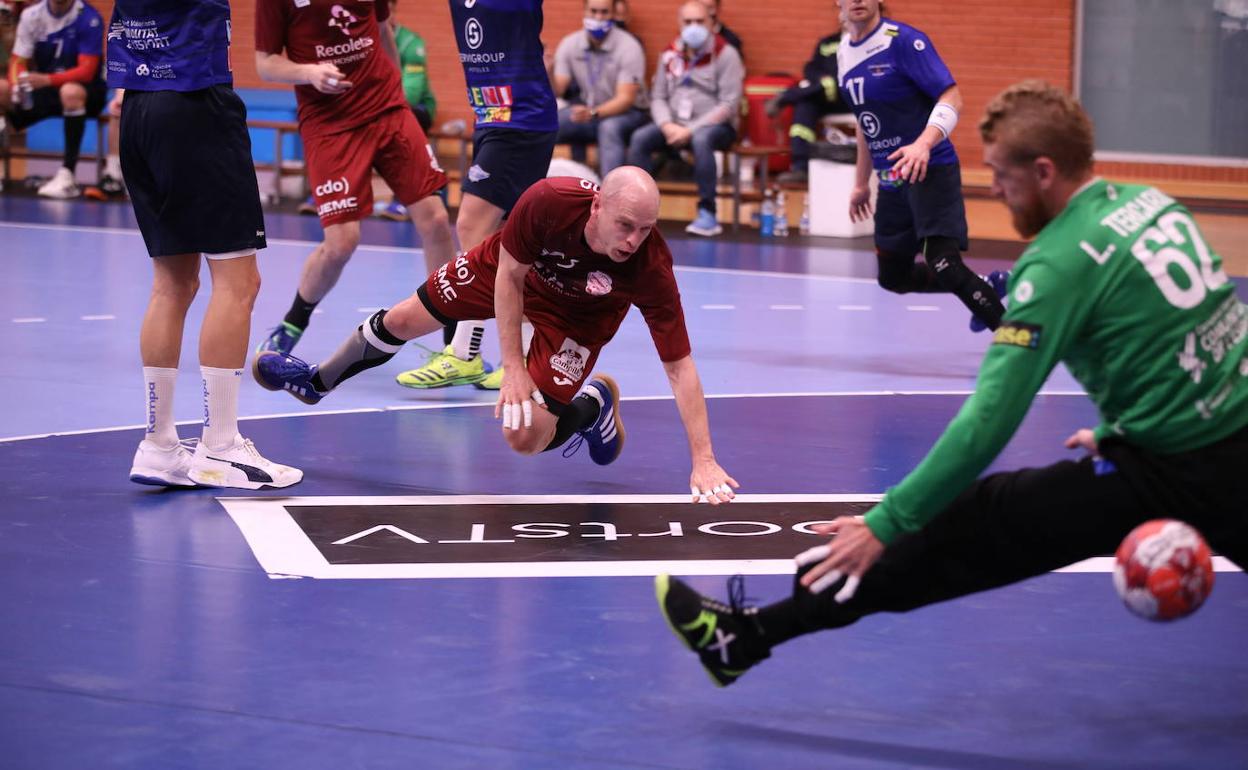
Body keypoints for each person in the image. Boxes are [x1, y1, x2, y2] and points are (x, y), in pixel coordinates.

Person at [655, 80, 1248, 687]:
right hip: (1216, 442)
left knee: (970, 526)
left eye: (1001, 175)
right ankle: (752, 634)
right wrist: (1125, 427)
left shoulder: (1060, 261)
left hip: (1179, 466)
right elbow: (1199, 337)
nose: (991, 188)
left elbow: (989, 419)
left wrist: (886, 521)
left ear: (1044, 171)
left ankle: (747, 637)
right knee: (984, 518)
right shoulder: (1156, 207)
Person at [254, 168, 740, 503]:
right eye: (626, 226)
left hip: (578, 321)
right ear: (597, 206)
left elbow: (679, 366)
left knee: (523, 436)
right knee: (403, 319)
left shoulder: (650, 266)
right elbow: (508, 278)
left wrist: (704, 460)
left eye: (646, 229)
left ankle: (591, 406)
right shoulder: (548, 202)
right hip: (511, 271)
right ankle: (317, 382)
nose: (634, 240)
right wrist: (512, 367)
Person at [115, 0, 301, 490]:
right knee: (239, 283)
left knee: (172, 285)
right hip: (194, 104)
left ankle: (158, 446)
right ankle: (219, 446)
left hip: (137, 108)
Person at [253, 0, 456, 360]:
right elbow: (265, 63)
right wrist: (309, 72)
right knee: (341, 243)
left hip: (387, 108)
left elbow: (382, 30)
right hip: (330, 123)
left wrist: (398, 94)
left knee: (437, 219)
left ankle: (452, 346)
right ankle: (293, 322)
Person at [395, 0, 560, 392]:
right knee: (510, 248)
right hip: (490, 117)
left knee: (472, 227)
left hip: (521, 122)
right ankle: (526, 355)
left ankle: (465, 354)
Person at [835, 0, 1007, 332]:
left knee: (943, 263)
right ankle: (987, 284)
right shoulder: (844, 52)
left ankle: (1018, 341)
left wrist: (923, 144)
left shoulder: (903, 41)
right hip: (891, 181)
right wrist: (860, 182)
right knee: (892, 277)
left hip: (930, 170)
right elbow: (864, 122)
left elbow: (952, 97)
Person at [626, 1, 742, 238]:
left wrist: (689, 130)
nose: (694, 27)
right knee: (640, 138)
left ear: (711, 22)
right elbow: (657, 96)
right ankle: (637, 212)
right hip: (673, 124)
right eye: (688, 22)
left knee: (701, 140)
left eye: (700, 22)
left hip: (714, 126)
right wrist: (667, 124)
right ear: (679, 24)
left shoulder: (726, 53)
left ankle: (708, 214)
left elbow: (729, 104)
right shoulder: (670, 53)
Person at [1, 0, 106, 199]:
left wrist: (48, 79)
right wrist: (17, 84)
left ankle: (68, 176)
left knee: (70, 92)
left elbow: (87, 70)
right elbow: (18, 60)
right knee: (1, 89)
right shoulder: (31, 16)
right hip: (45, 88)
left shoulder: (88, 17)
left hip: (86, 91)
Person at [552, 0, 648, 176]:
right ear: (584, 12)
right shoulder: (570, 43)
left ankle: (610, 192)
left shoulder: (629, 46)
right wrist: (549, 71)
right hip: (590, 111)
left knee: (609, 128)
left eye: (604, 12)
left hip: (628, 113)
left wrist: (593, 112)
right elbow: (557, 90)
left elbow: (625, 99)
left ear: (613, 14)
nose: (598, 17)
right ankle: (540, 185)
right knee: (550, 121)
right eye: (593, 11)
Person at [375, 0, 439, 221]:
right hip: (379, 107)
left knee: (405, 120)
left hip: (417, 108)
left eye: (386, 10)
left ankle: (402, 200)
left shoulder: (411, 43)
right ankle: (329, 197)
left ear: (392, 12)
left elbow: (410, 93)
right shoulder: (362, 41)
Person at [766, 30, 853, 185]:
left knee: (824, 86)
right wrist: (821, 79)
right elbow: (811, 68)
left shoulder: (870, 39)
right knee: (805, 105)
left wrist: (831, 80)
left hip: (852, 98)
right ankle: (800, 168)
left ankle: (786, 97)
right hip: (826, 95)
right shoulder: (827, 42)